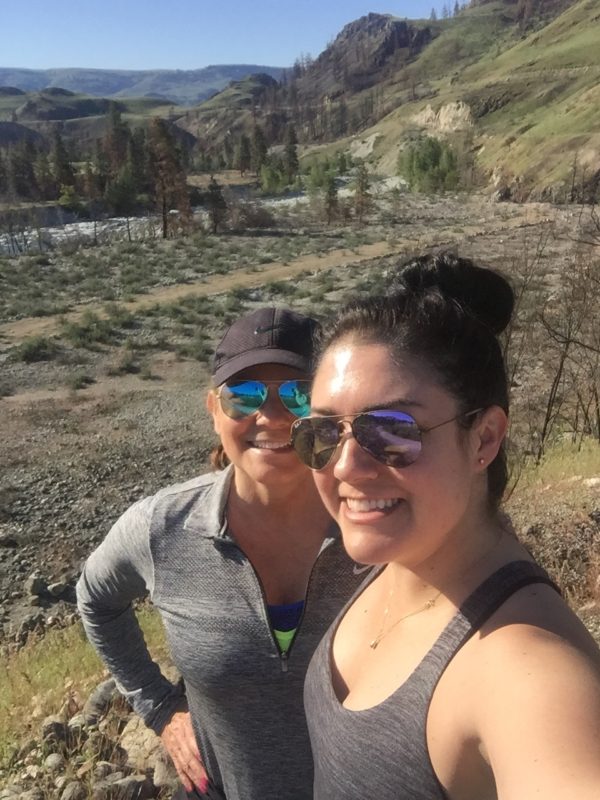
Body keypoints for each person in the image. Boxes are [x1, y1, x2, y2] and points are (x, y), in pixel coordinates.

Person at [290, 253, 600, 799]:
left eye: (390, 431)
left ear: (483, 439)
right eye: (321, 431)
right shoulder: (399, 557)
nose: (344, 465)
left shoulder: (527, 668)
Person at [76, 306, 364, 800]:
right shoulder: (161, 528)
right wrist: (161, 710)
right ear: (213, 409)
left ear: (328, 413)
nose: (270, 416)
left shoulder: (376, 521)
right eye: (245, 395)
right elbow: (96, 600)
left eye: (297, 395)